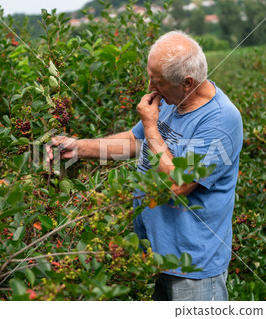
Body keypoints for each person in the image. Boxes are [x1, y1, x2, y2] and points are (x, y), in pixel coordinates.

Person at [46, 31, 243, 301]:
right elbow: (134, 142)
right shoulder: (174, 100)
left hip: (195, 266)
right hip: (159, 255)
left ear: (187, 82)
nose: (150, 86)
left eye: (157, 81)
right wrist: (78, 147)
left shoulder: (220, 120)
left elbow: (178, 183)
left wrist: (151, 126)